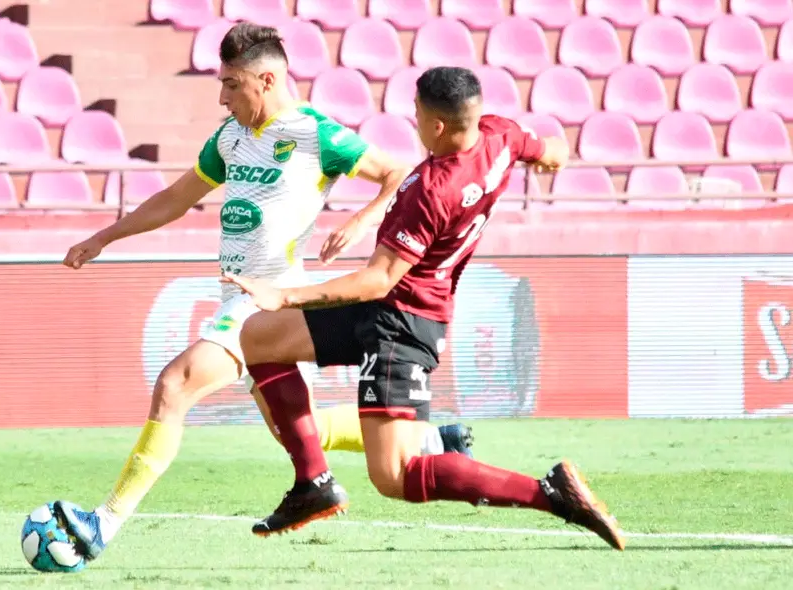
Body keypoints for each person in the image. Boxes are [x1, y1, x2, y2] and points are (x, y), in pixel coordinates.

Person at [51, 24, 475, 562]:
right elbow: (177, 197)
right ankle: (436, 442)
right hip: (239, 298)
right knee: (299, 428)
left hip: (270, 298)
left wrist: (362, 221)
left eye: (231, 84)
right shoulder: (229, 138)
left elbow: (396, 171)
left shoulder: (314, 133)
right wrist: (104, 236)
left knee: (174, 385)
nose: (222, 98)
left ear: (266, 79)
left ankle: (103, 524)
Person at [223, 65, 626, 550]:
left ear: (437, 125)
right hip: (389, 307)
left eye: (416, 112)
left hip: (401, 322)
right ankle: (313, 482)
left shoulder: (433, 189)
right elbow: (549, 149)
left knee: (395, 476)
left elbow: (378, 279)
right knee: (259, 336)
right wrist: (552, 156)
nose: (412, 119)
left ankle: (551, 494)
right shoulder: (499, 135)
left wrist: (283, 294)